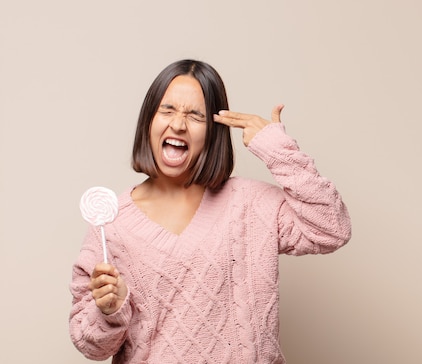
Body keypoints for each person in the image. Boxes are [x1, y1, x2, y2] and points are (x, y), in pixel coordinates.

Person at [69, 59, 351, 363]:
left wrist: (276, 147)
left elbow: (332, 229)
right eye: (167, 110)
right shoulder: (112, 223)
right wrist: (111, 309)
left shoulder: (251, 205)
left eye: (195, 115)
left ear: (213, 131)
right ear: (148, 120)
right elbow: (92, 347)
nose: (178, 124)